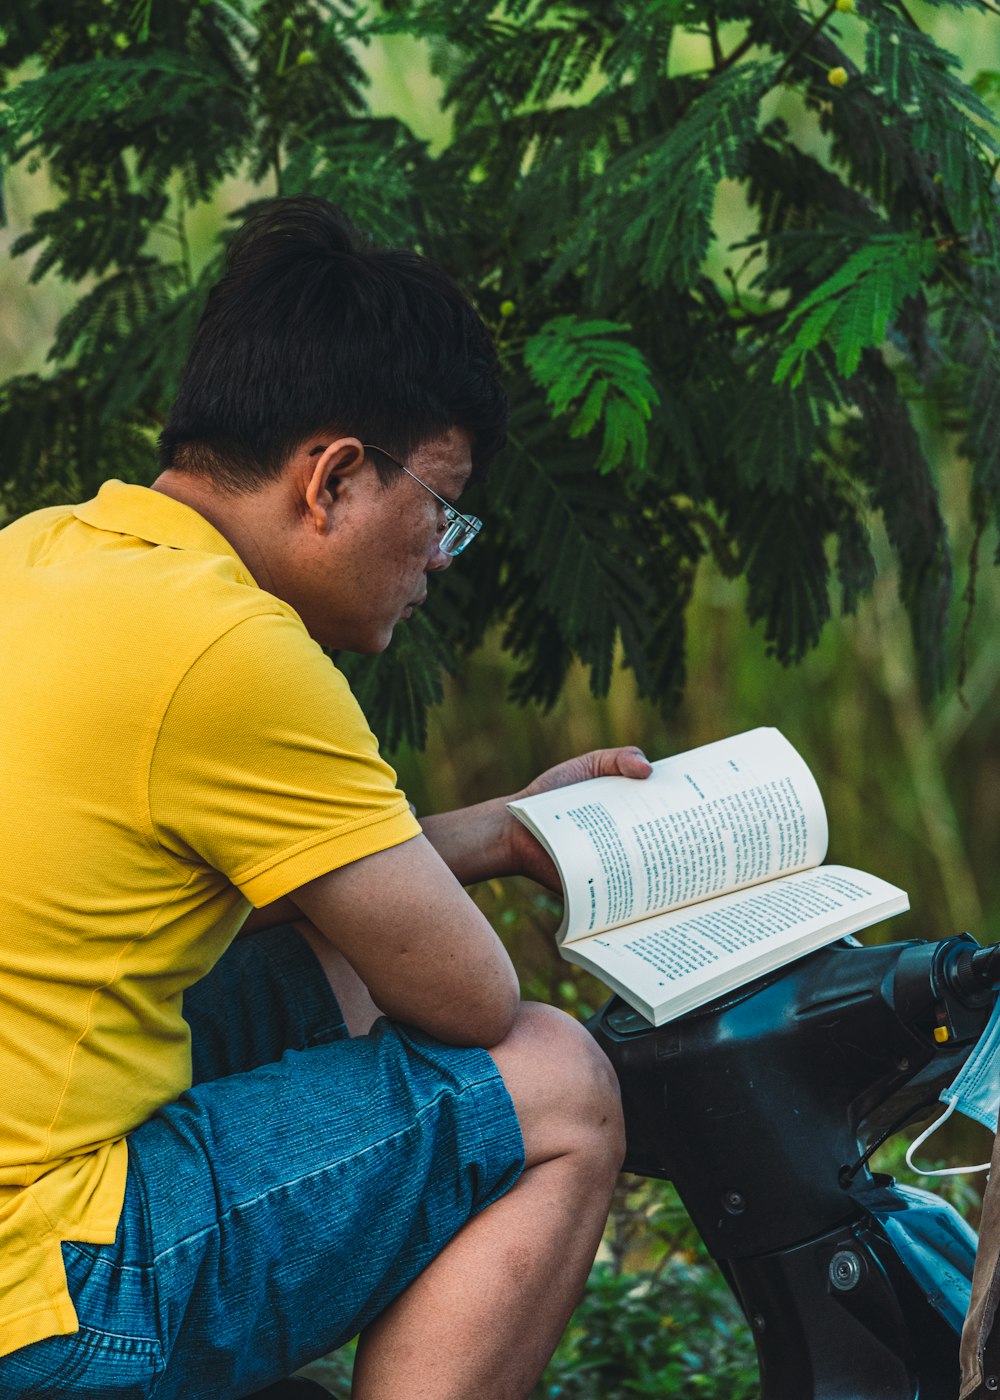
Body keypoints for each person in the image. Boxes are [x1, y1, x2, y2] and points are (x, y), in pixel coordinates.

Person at [0, 195, 652, 1400]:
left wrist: (504, 830)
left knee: (334, 961)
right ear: (336, 478)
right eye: (441, 512)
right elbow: (469, 999)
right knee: (555, 1080)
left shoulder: (42, 552)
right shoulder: (229, 646)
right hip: (38, 1289)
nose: (440, 560)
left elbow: (170, 895)